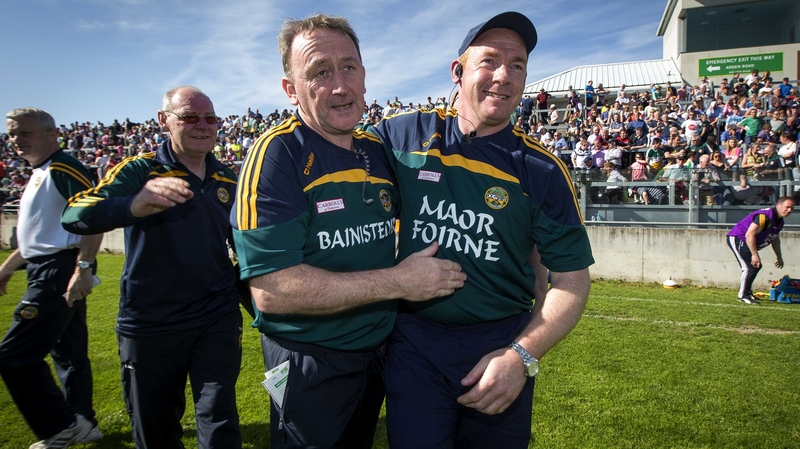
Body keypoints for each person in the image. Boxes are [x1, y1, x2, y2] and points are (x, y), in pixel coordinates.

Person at [230, 14, 465, 449]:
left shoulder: (377, 149)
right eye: (320, 72)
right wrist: (400, 282)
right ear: (291, 89)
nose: (340, 85)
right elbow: (273, 290)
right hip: (311, 360)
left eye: (349, 67)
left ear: (363, 74)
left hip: (379, 351)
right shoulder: (277, 154)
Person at [371, 12, 593, 448]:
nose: (503, 76)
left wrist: (522, 356)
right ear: (458, 72)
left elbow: (572, 281)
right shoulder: (403, 134)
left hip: (500, 343)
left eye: (517, 65)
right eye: (489, 61)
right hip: (413, 342)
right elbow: (332, 160)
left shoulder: (543, 170)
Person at [62, 86, 243, 449]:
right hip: (151, 322)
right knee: (156, 426)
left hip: (216, 316)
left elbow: (244, 247)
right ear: (164, 121)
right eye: (190, 117)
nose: (203, 125)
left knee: (219, 416)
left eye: (211, 118)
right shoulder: (140, 170)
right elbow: (74, 214)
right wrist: (133, 205)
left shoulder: (227, 179)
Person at [0, 108, 103, 448]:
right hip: (48, 266)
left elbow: (92, 217)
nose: (15, 140)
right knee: (69, 353)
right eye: (12, 134)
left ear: (51, 134)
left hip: (60, 271)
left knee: (14, 356)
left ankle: (60, 426)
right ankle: (82, 422)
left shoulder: (62, 167)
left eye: (23, 133)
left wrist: (83, 268)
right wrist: (7, 268)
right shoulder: (40, 171)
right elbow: (37, 237)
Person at [726, 196, 795, 304]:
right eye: (787, 207)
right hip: (739, 238)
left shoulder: (780, 222)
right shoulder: (764, 217)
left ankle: (747, 293)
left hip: (747, 240)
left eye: (792, 208)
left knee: (755, 266)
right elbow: (749, 234)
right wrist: (754, 254)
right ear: (778, 205)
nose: (789, 210)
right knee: (750, 267)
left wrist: (779, 256)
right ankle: (743, 295)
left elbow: (775, 239)